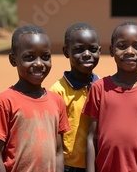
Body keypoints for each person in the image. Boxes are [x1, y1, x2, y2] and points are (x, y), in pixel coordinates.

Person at [0, 25, 70, 172]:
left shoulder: (57, 101)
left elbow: (58, 151)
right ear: (13, 60)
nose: (38, 63)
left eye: (45, 57)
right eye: (29, 57)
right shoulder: (4, 102)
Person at [83, 21, 137, 172]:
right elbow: (91, 138)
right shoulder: (99, 88)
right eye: (122, 46)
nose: (129, 51)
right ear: (112, 50)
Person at [50, 22, 101, 172]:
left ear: (99, 50)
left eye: (92, 49)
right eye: (79, 49)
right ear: (66, 52)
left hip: (99, 161)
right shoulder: (58, 91)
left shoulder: (102, 87)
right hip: (69, 166)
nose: (86, 54)